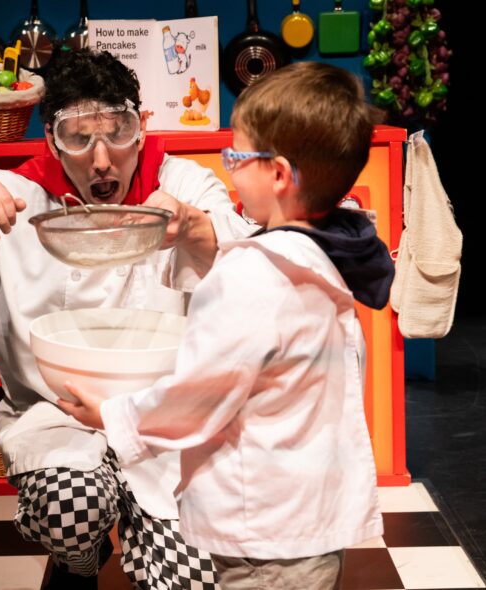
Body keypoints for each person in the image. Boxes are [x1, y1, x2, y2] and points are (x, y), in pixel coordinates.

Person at [0, 49, 251, 589]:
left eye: (117, 132)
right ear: (52, 139)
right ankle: (81, 557)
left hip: (166, 421)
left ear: (141, 130)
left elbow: (248, 259)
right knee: (71, 515)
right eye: (79, 137)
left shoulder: (184, 185)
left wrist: (192, 226)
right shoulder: (15, 197)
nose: (101, 160)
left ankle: (148, 538)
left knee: (187, 581)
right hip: (55, 415)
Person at [59, 61, 393, 590]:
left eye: (236, 157)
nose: (227, 167)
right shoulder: (330, 256)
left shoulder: (251, 275)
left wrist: (114, 416)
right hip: (312, 518)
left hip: (262, 531)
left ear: (279, 175)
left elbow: (199, 396)